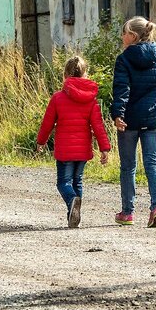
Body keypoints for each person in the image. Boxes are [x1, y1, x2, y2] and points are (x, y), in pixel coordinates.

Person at [36, 55, 111, 228]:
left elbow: (47, 123)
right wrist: (104, 148)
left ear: (65, 76)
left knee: (63, 183)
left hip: (65, 150)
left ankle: (72, 203)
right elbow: (98, 126)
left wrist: (41, 141)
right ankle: (74, 213)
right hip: (83, 150)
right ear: (85, 75)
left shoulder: (57, 98)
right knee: (77, 181)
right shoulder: (91, 100)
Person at [111, 16, 156, 227]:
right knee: (152, 163)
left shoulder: (123, 59)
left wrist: (118, 114)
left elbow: (122, 89)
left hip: (130, 120)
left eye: (124, 32)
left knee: (128, 167)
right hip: (153, 118)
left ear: (132, 36)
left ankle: (127, 212)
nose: (122, 36)